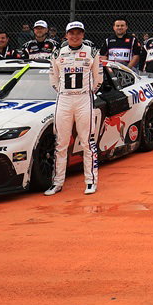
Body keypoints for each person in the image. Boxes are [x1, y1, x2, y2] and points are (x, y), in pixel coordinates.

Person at [45, 21, 103, 196]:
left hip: (84, 99)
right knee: (61, 143)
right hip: (63, 100)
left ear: (83, 35)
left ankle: (91, 181)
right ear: (66, 35)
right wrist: (62, 92)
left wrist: (87, 93)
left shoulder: (92, 52)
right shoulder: (57, 52)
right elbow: (53, 77)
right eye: (72, 33)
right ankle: (57, 182)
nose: (75, 36)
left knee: (87, 142)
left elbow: (98, 79)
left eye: (78, 33)